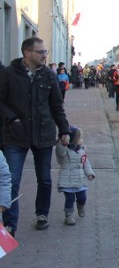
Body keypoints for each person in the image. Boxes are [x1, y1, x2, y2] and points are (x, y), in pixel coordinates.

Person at [0, 37, 72, 235]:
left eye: (45, 51)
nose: (45, 55)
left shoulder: (49, 75)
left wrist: (64, 130)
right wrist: (12, 117)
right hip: (15, 135)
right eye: (41, 52)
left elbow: (57, 105)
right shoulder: (8, 74)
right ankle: (10, 224)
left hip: (43, 133)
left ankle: (42, 214)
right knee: (12, 180)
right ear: (27, 53)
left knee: (45, 178)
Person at [55, 125, 95, 226]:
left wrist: (89, 173)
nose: (82, 140)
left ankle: (80, 206)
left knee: (82, 197)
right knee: (70, 199)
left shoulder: (81, 151)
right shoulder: (64, 150)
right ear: (73, 139)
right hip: (67, 180)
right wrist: (62, 143)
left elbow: (86, 163)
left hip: (80, 179)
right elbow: (59, 152)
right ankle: (68, 216)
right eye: (80, 138)